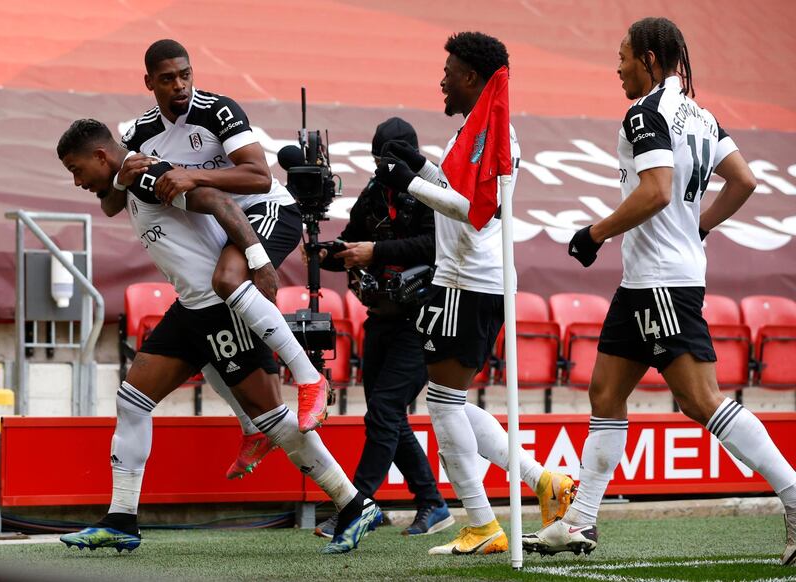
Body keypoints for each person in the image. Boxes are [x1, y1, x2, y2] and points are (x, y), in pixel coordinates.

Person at [522, 18, 796, 565]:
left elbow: (655, 191)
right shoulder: (699, 112)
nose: (616, 68)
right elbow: (744, 179)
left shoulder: (646, 112)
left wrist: (594, 233)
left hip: (661, 283)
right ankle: (580, 521)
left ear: (648, 58)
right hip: (646, 281)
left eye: (622, 57)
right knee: (605, 392)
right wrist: (699, 226)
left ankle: (794, 494)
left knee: (701, 401)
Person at [55, 119, 383, 555]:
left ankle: (353, 502)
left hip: (220, 309)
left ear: (100, 156)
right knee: (131, 400)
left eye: (77, 170)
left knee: (274, 422)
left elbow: (218, 202)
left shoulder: (149, 175)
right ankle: (121, 519)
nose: (77, 182)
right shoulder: (127, 179)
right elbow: (112, 199)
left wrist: (259, 261)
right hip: (190, 308)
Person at [374, 32, 577, 555]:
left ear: (470, 77)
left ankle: (483, 525)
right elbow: (461, 187)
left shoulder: (497, 133)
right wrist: (419, 165)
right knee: (450, 402)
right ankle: (543, 482)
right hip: (466, 279)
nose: (441, 79)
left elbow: (475, 209)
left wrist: (408, 183)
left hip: (469, 281)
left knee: (442, 404)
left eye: (449, 70)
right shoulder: (475, 129)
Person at [103, 39, 330, 479]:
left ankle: (310, 378)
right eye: (168, 79)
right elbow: (112, 205)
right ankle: (253, 426)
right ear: (149, 82)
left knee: (226, 281)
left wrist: (193, 174)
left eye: (185, 74)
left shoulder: (217, 110)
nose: (180, 85)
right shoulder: (137, 134)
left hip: (269, 212)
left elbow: (260, 176)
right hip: (226, 229)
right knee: (204, 324)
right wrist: (118, 177)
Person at [312, 118, 453, 539]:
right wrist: (327, 254)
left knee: (385, 412)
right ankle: (432, 503)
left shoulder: (431, 193)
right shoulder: (373, 194)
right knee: (387, 416)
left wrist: (376, 250)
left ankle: (358, 504)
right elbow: (352, 240)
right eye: (378, 159)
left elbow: (437, 245)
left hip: (424, 319)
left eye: (391, 159)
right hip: (383, 317)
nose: (384, 168)